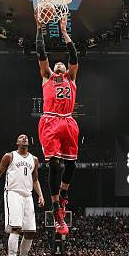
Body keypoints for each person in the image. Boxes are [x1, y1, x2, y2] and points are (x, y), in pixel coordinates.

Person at [35, 15, 79, 235]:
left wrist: (64, 32)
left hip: (69, 120)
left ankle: (63, 197)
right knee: (54, 165)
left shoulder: (71, 76)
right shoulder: (47, 76)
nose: (60, 63)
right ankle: (55, 208)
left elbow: (74, 55)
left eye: (62, 63)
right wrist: (39, 28)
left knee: (71, 165)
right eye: (57, 63)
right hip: (51, 120)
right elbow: (41, 52)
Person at [0, 134, 45, 256]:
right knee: (16, 229)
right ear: (17, 142)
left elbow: (35, 179)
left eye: (26, 137)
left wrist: (40, 195)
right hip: (13, 194)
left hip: (28, 195)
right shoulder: (9, 156)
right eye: (21, 137)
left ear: (29, 143)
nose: (24, 138)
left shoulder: (34, 159)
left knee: (31, 232)